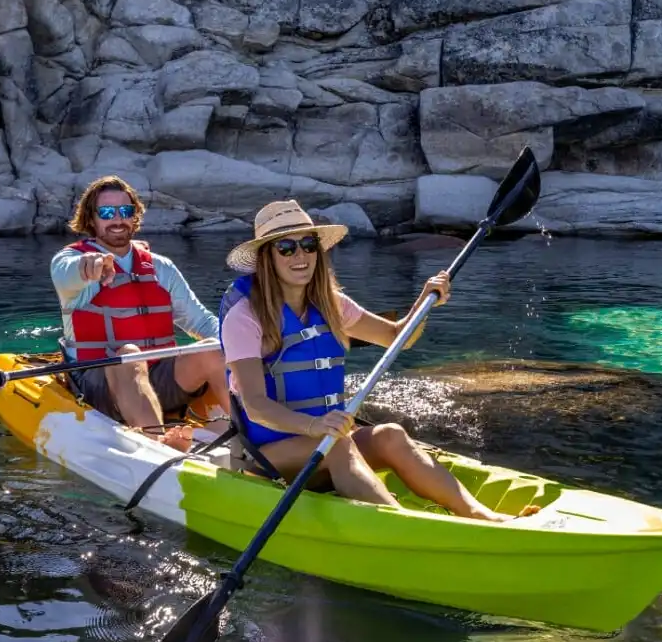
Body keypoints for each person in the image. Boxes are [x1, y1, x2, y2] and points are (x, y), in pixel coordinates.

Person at [218, 199, 519, 522]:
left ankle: (480, 516)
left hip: (326, 443)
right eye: (286, 248)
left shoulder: (331, 303)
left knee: (390, 435)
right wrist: (315, 426)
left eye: (308, 245)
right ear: (267, 257)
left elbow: (397, 337)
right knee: (336, 445)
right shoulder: (245, 317)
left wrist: (426, 301)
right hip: (269, 458)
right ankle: (403, 526)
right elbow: (255, 406)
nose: (300, 256)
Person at [51, 175, 231, 450]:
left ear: (135, 216)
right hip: (100, 386)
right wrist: (89, 266)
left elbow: (201, 321)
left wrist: (241, 344)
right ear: (91, 218)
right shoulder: (69, 262)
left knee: (212, 348)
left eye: (125, 211)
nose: (117, 219)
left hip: (160, 381)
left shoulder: (160, 267)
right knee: (128, 355)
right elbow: (69, 275)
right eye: (107, 212)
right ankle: (158, 445)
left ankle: (256, 436)